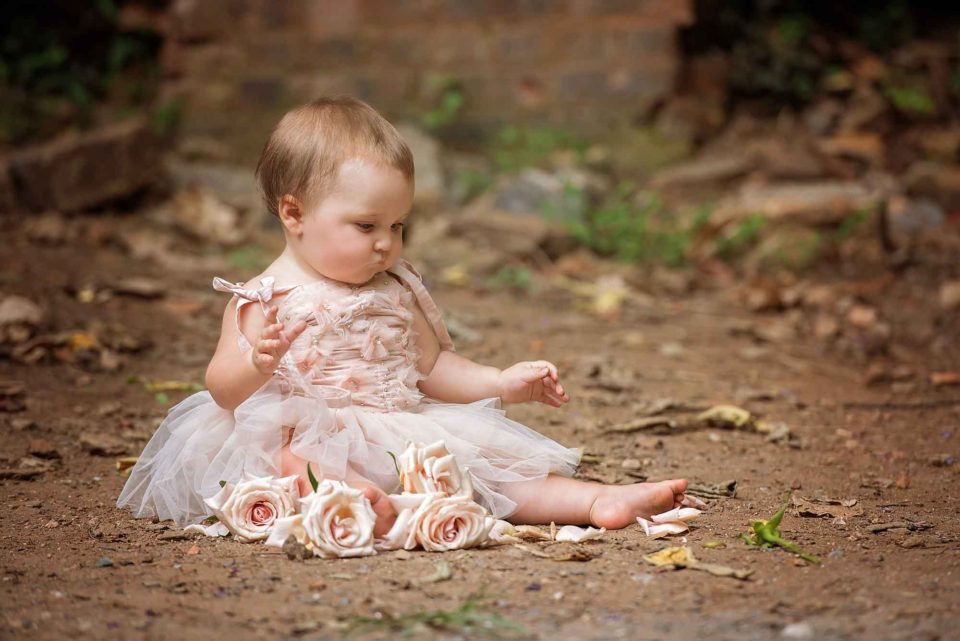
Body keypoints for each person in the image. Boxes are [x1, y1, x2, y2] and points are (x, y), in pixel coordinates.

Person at [117, 96, 695, 537]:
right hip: (304, 431)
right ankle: (356, 502)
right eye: (366, 226)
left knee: (488, 467)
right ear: (294, 212)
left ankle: (595, 500)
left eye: (397, 226)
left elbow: (432, 365)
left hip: (398, 427)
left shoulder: (394, 287)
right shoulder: (263, 298)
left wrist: (500, 383)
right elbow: (222, 391)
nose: (385, 244)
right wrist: (254, 362)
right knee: (291, 456)